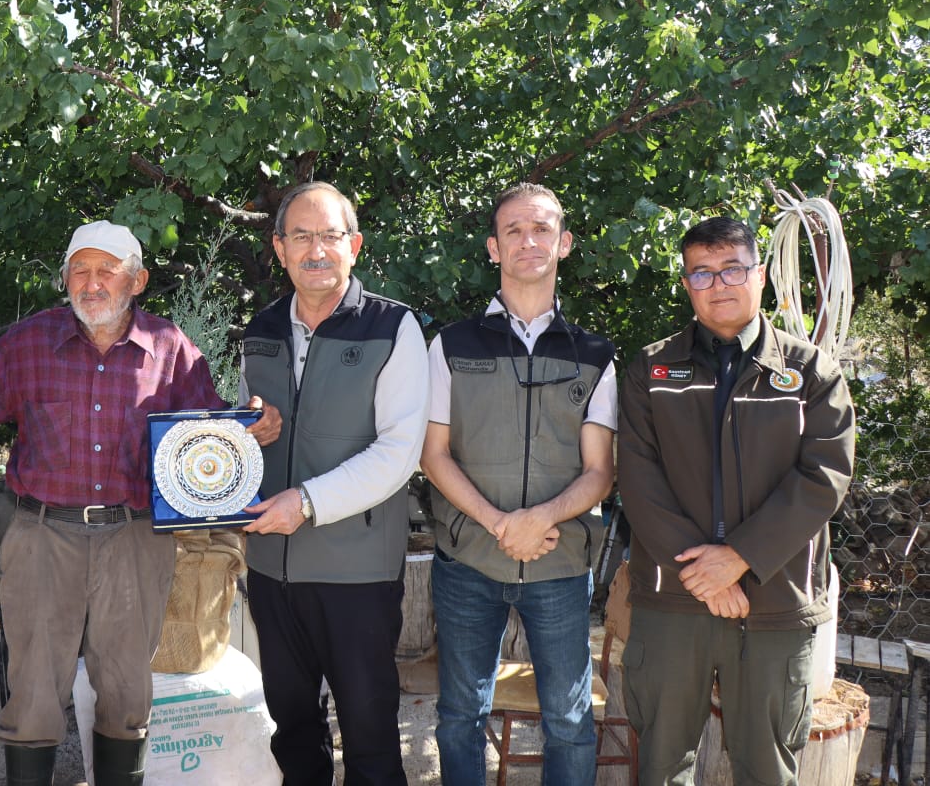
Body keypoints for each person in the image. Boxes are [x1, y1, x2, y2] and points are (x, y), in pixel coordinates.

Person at [0, 219, 280, 786]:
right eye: (79, 271)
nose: (91, 283)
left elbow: (209, 432)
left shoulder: (171, 349)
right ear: (65, 280)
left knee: (129, 689)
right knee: (34, 693)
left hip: (135, 537)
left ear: (137, 280)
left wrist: (251, 424)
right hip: (41, 535)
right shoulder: (29, 343)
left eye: (106, 271)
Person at [617, 216, 854, 784]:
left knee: (768, 770)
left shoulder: (810, 372)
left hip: (775, 604)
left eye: (732, 269)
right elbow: (637, 479)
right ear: (686, 284)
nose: (718, 284)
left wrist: (740, 557)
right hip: (672, 599)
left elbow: (823, 476)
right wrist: (708, 574)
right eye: (701, 273)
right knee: (661, 767)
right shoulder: (651, 369)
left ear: (761, 275)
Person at [418, 183, 618, 786]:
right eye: (513, 231)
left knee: (569, 718)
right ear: (493, 249)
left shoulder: (596, 354)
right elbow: (435, 456)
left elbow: (601, 472)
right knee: (458, 716)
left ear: (564, 243)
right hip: (467, 563)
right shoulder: (451, 345)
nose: (528, 241)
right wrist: (501, 524)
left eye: (541, 229)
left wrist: (540, 521)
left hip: (559, 568)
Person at [239, 181, 430, 786]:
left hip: (358, 573)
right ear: (279, 248)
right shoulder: (260, 328)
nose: (315, 250)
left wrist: (309, 502)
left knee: (371, 736)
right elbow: (251, 433)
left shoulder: (394, 328)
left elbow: (400, 451)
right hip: (272, 568)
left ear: (355, 245)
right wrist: (248, 430)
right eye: (301, 236)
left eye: (329, 235)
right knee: (292, 731)